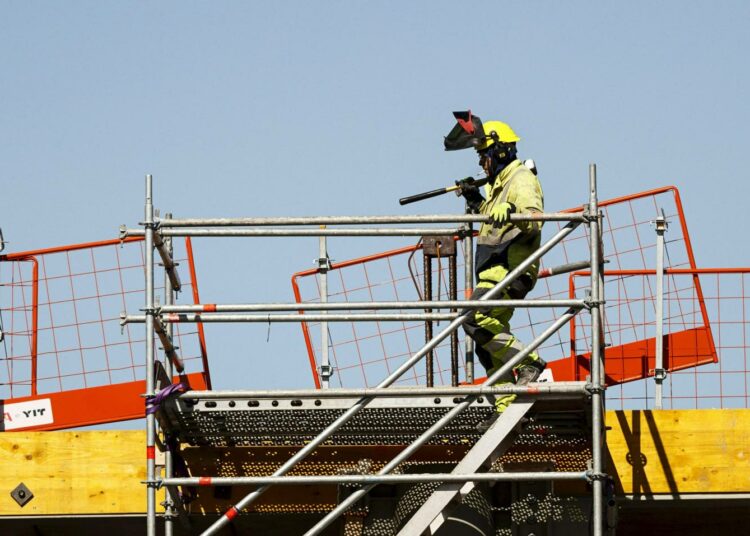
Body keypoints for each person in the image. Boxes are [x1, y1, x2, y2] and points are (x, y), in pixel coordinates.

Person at [444, 111, 547, 430]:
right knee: (484, 337)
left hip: (509, 268)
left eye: (482, 154)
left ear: (499, 150)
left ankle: (530, 362)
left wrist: (514, 211)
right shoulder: (499, 185)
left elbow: (535, 217)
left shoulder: (521, 179)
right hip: (493, 269)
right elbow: (490, 218)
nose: (480, 163)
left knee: (474, 319)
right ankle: (505, 405)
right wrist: (477, 199)